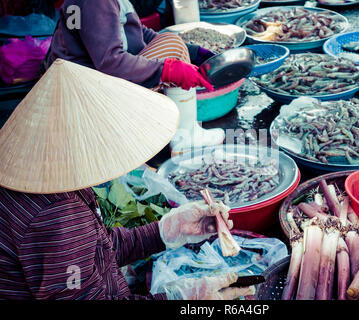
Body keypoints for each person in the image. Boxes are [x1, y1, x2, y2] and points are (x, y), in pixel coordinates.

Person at [0, 58, 254, 300]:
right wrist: (182, 296)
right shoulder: (59, 217)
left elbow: (99, 250)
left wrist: (166, 231)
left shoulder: (49, 175)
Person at [45, 0, 226, 153]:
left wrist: (192, 51)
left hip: (89, 79)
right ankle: (185, 138)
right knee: (173, 48)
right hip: (85, 92)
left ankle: (182, 131)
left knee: (172, 42)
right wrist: (168, 70)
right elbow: (111, 62)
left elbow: (137, 32)